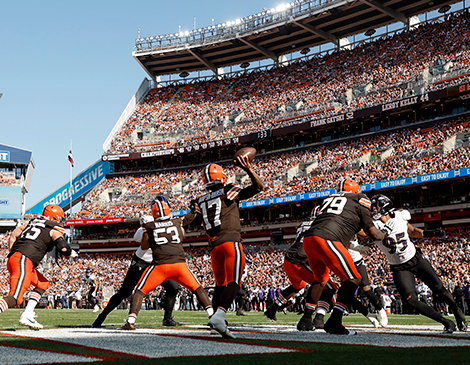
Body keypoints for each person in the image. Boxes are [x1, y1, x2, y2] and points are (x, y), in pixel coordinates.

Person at [185, 156, 264, 339]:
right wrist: (249, 170)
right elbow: (259, 187)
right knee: (234, 282)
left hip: (213, 247)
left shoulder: (200, 199)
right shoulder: (229, 189)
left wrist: (191, 211)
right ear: (221, 178)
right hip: (230, 241)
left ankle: (214, 320)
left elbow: (189, 221)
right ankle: (220, 316)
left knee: (220, 285)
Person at [370, 194, 467, 333]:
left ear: (385, 207)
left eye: (375, 207)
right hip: (399, 266)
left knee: (438, 287)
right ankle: (445, 321)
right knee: (410, 300)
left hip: (415, 258)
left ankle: (457, 311)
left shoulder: (400, 216)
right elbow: (360, 231)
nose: (373, 210)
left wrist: (429, 233)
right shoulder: (371, 226)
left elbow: (413, 231)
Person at [301, 178, 386, 335]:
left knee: (320, 281)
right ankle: (334, 321)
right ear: (356, 191)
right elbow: (373, 232)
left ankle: (306, 319)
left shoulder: (328, 199)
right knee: (354, 278)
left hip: (308, 239)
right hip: (327, 238)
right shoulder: (360, 199)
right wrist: (386, 235)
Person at [120, 199, 214, 330]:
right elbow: (182, 234)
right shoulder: (176, 222)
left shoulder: (150, 226)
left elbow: (144, 245)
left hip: (160, 266)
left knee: (140, 291)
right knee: (198, 288)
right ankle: (212, 316)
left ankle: (130, 322)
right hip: (179, 265)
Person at [92, 209, 182, 327]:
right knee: (125, 292)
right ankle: (101, 317)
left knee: (174, 287)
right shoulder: (145, 228)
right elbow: (138, 236)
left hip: (157, 263)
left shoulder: (166, 225)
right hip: (141, 262)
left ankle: (167, 319)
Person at [0, 204, 77, 329]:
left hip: (19, 258)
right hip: (24, 260)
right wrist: (70, 252)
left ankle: (27, 314)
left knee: (42, 284)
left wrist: (13, 252)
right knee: (15, 298)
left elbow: (15, 233)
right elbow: (63, 247)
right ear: (55, 217)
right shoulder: (53, 229)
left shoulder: (31, 223)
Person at [264, 206, 338, 331]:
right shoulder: (324, 225)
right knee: (329, 287)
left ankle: (273, 308)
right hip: (302, 259)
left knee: (299, 286)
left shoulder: (303, 224)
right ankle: (316, 318)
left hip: (289, 259)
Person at [312, 236, 388, 329]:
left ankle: (380, 310)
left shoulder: (346, 227)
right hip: (344, 263)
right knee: (347, 295)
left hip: (356, 262)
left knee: (366, 289)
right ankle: (368, 315)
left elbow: (354, 237)